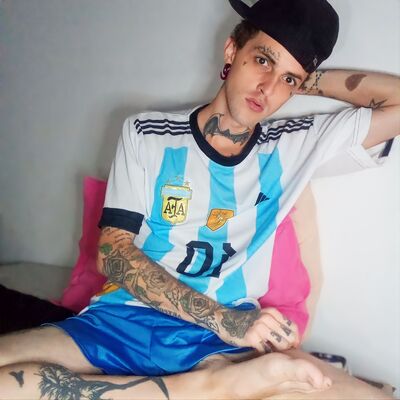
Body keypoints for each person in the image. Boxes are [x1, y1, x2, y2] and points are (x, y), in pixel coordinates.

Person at [0, 0, 398, 398]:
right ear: (231, 50)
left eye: (288, 79)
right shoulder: (146, 133)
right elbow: (113, 253)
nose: (268, 88)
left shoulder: (293, 145)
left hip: (216, 343)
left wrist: (302, 79)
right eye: (262, 60)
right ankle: (201, 389)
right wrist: (224, 320)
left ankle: (201, 381)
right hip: (123, 319)